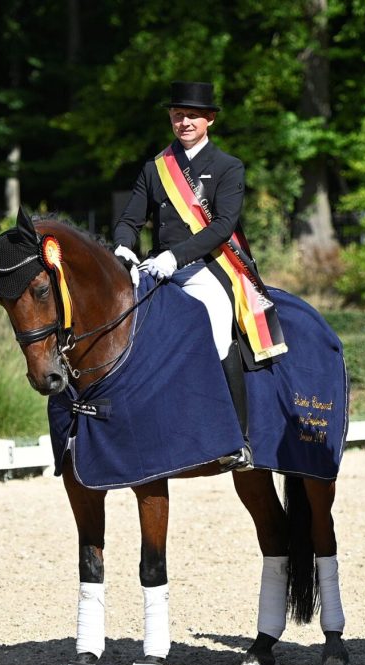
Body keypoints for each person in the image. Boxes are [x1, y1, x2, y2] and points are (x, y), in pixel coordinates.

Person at [112, 81, 260, 471]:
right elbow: (130, 218)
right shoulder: (155, 168)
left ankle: (237, 439)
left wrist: (175, 258)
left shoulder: (228, 167)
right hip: (156, 267)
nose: (184, 122)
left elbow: (222, 226)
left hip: (203, 267)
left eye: (192, 115)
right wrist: (124, 246)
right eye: (177, 115)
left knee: (216, 324)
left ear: (208, 119)